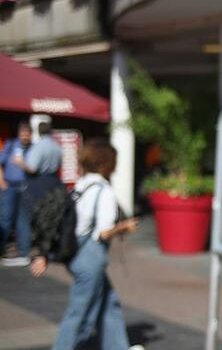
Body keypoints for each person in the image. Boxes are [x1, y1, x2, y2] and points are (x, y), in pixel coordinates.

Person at [29, 139, 143, 350]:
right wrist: (124, 227)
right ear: (106, 163)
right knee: (80, 315)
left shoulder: (81, 185)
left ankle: (116, 346)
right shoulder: (104, 190)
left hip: (75, 254)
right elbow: (103, 233)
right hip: (90, 258)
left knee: (109, 303)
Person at [9, 121, 63, 267]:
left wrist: (19, 162)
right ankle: (49, 250)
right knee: (51, 216)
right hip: (54, 182)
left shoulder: (39, 147)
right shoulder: (57, 147)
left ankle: (26, 253)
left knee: (27, 218)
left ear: (38, 132)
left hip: (39, 183)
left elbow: (32, 168)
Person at [0, 121, 33, 266]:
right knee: (5, 219)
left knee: (23, 221)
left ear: (30, 135)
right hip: (10, 187)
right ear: (19, 134)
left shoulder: (33, 148)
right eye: (23, 133)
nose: (25, 136)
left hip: (26, 188)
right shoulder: (10, 145)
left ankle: (24, 252)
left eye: (27, 134)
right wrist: (1, 181)